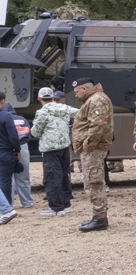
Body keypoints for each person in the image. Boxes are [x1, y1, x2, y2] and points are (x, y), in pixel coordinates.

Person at [71, 77, 114, 232]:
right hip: (92, 148)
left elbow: (97, 124)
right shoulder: (93, 100)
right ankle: (98, 216)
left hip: (93, 149)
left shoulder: (97, 100)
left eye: (77, 92)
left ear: (84, 88)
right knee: (92, 181)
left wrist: (88, 144)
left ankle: (99, 218)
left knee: (94, 182)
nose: (76, 95)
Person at [30, 86, 77, 216]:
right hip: (64, 147)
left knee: (51, 177)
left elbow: (35, 132)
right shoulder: (64, 108)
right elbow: (80, 113)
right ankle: (66, 203)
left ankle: (56, 207)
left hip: (49, 148)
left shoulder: (42, 112)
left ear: (39, 98)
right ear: (52, 97)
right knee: (64, 175)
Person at [0, 91, 33, 209]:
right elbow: (27, 133)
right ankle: (26, 202)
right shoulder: (21, 119)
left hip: (5, 149)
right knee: (23, 176)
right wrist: (17, 149)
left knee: (7, 179)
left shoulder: (5, 117)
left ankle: (9, 205)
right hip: (21, 147)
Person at [0, 105, 21, 225]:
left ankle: (6, 210)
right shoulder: (6, 116)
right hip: (5, 152)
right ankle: (7, 207)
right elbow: (13, 136)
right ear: (2, 102)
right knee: (5, 180)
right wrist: (17, 150)